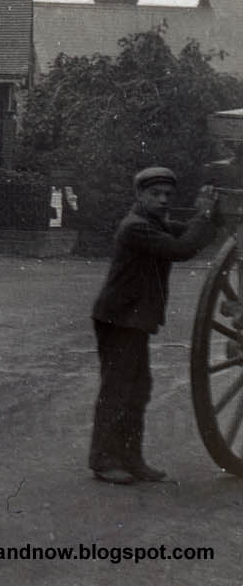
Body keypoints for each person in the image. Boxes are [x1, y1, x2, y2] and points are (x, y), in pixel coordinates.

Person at [88, 166, 221, 485]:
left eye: (167, 195)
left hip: (132, 319)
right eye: (155, 194)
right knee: (119, 389)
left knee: (138, 390)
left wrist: (213, 216)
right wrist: (204, 216)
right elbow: (181, 249)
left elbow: (188, 233)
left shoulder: (153, 223)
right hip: (119, 319)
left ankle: (132, 459)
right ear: (139, 195)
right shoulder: (136, 228)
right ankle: (103, 460)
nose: (163, 200)